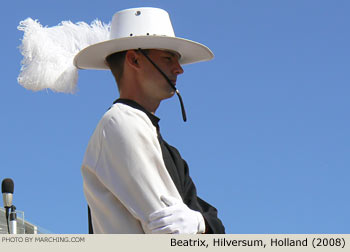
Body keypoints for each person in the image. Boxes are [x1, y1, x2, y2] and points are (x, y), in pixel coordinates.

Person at [78, 7, 225, 234]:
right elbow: (169, 230)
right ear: (134, 59)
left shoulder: (167, 150)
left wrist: (200, 223)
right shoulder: (120, 122)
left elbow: (207, 220)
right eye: (168, 58)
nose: (179, 69)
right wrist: (201, 224)